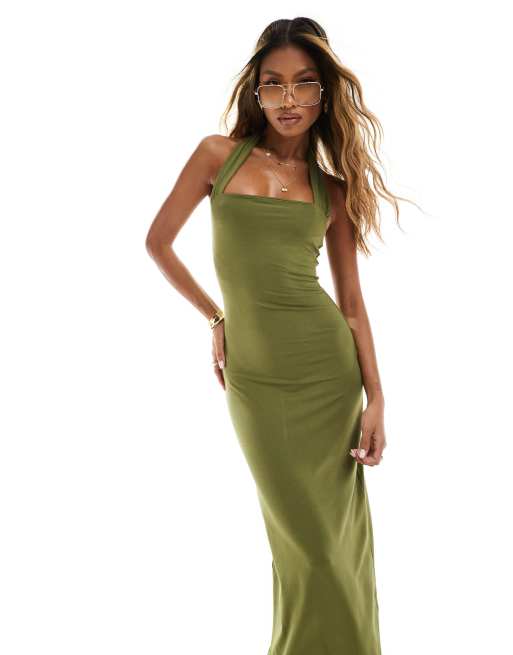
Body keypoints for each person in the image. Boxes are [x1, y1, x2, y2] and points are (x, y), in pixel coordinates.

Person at [146, 16, 410, 655]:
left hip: (329, 378)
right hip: (256, 381)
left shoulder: (332, 191)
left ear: (324, 95)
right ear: (256, 91)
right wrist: (217, 318)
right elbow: (158, 243)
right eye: (274, 83)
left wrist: (377, 397)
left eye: (304, 84)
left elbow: (352, 304)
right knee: (301, 544)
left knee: (331, 544)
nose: (288, 98)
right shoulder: (218, 156)